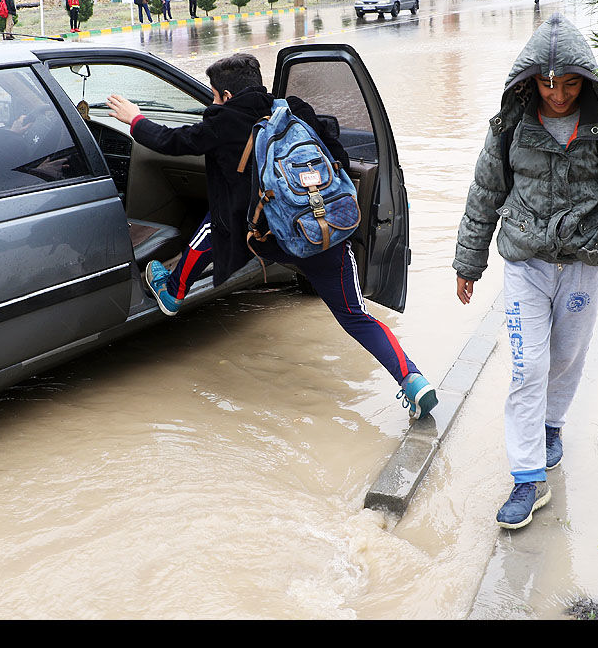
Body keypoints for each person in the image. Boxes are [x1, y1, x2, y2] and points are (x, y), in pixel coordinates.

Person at [105, 53, 438, 420]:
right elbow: (336, 153)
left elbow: (171, 141)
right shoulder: (295, 109)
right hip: (321, 233)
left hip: (268, 239)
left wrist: (134, 118)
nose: (214, 103)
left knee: (219, 223)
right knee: (357, 317)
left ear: (227, 96)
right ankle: (412, 379)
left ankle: (173, 291)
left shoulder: (224, 122)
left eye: (215, 96)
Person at [453, 13, 598, 529]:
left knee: (566, 357)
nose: (558, 95)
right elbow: (485, 194)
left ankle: (550, 425)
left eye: (568, 83)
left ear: (585, 81)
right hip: (526, 264)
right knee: (527, 367)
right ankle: (527, 479)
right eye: (547, 84)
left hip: (584, 265)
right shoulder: (508, 128)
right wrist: (469, 261)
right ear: (527, 82)